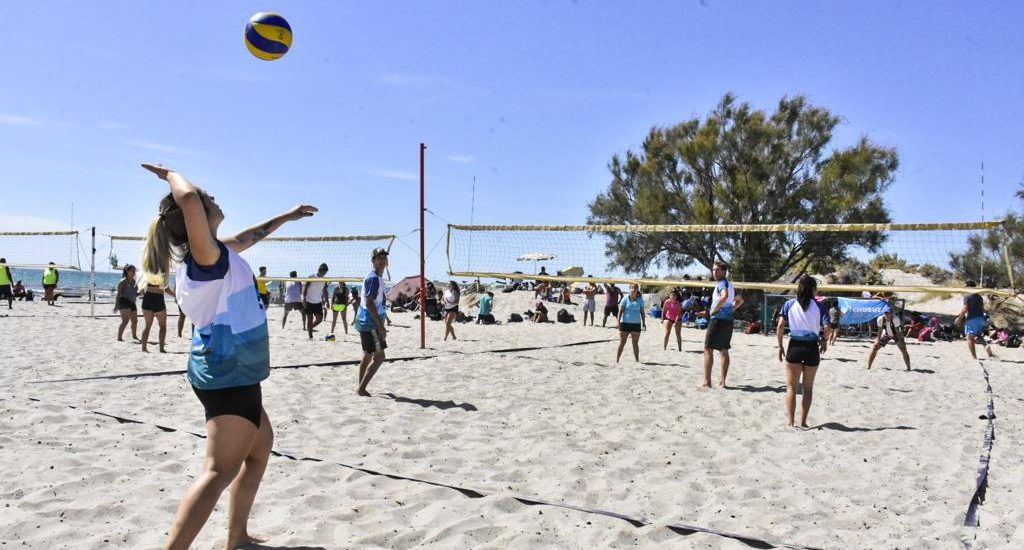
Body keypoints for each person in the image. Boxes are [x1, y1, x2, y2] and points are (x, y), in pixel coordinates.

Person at [140, 163, 316, 549]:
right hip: (229, 374)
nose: (213, 198)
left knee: (259, 449)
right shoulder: (206, 258)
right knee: (218, 471)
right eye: (207, 198)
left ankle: (236, 537)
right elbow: (186, 197)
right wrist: (170, 175)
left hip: (233, 370)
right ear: (196, 216)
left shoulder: (216, 252)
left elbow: (251, 235)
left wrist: (288, 215)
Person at [776, 275, 829, 428]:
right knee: (808, 388)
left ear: (799, 288)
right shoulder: (820, 306)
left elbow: (780, 326)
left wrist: (780, 346)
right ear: (813, 290)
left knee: (791, 387)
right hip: (812, 347)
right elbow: (827, 327)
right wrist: (825, 341)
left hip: (795, 347)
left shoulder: (789, 304)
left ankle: (790, 422)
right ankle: (804, 421)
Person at [703, 261, 744, 388]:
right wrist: (732, 309)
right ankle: (723, 382)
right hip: (728, 321)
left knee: (708, 349)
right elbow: (740, 300)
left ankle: (707, 382)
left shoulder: (722, 284)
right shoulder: (731, 285)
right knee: (724, 350)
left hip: (718, 320)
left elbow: (724, 296)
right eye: (713, 270)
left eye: (717, 270)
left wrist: (714, 309)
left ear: (724, 271)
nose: (714, 272)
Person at [356, 248, 389, 396]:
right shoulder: (374, 278)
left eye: (384, 257)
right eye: (379, 258)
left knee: (368, 354)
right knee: (379, 357)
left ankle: (360, 386)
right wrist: (381, 326)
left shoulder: (376, 277)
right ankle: (361, 389)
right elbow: (369, 303)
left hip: (367, 321)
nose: (382, 260)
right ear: (373, 260)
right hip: (371, 323)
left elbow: (374, 303)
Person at [956, 280, 995, 360]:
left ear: (968, 286)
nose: (964, 288)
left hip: (972, 319)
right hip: (981, 318)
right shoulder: (979, 297)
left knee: (970, 338)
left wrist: (959, 319)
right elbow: (982, 309)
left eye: (965, 286)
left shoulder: (967, 296)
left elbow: (965, 309)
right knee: (978, 336)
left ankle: (974, 357)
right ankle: (987, 346)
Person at [139, 271, 174, 353]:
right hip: (158, 299)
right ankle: (161, 349)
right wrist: (176, 295)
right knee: (162, 326)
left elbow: (140, 288)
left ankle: (144, 348)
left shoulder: (148, 274)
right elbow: (167, 290)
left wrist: (145, 296)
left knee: (147, 326)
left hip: (148, 298)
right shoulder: (163, 274)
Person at [615, 283, 646, 363]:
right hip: (624, 323)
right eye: (632, 288)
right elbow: (620, 311)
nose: (633, 289)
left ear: (637, 290)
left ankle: (637, 360)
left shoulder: (640, 300)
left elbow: (642, 312)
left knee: (635, 343)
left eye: (635, 288)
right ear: (629, 289)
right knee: (622, 342)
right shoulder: (625, 298)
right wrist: (618, 322)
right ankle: (617, 360)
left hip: (636, 324)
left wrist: (644, 323)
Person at [302, 263, 329, 339]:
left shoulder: (325, 279)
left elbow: (324, 291)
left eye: (325, 273)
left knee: (320, 319)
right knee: (310, 319)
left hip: (318, 302)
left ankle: (310, 328)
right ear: (320, 270)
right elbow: (306, 288)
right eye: (323, 272)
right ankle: (310, 336)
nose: (324, 274)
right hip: (309, 301)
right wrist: (303, 299)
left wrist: (327, 301)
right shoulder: (311, 277)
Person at [114, 264, 140, 342]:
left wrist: (141, 293)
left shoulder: (134, 281)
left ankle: (134, 336)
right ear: (127, 271)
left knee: (135, 321)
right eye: (132, 271)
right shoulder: (122, 282)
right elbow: (118, 294)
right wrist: (116, 306)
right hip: (124, 302)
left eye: (135, 271)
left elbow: (136, 293)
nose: (134, 273)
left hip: (132, 302)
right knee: (125, 321)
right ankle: (119, 337)